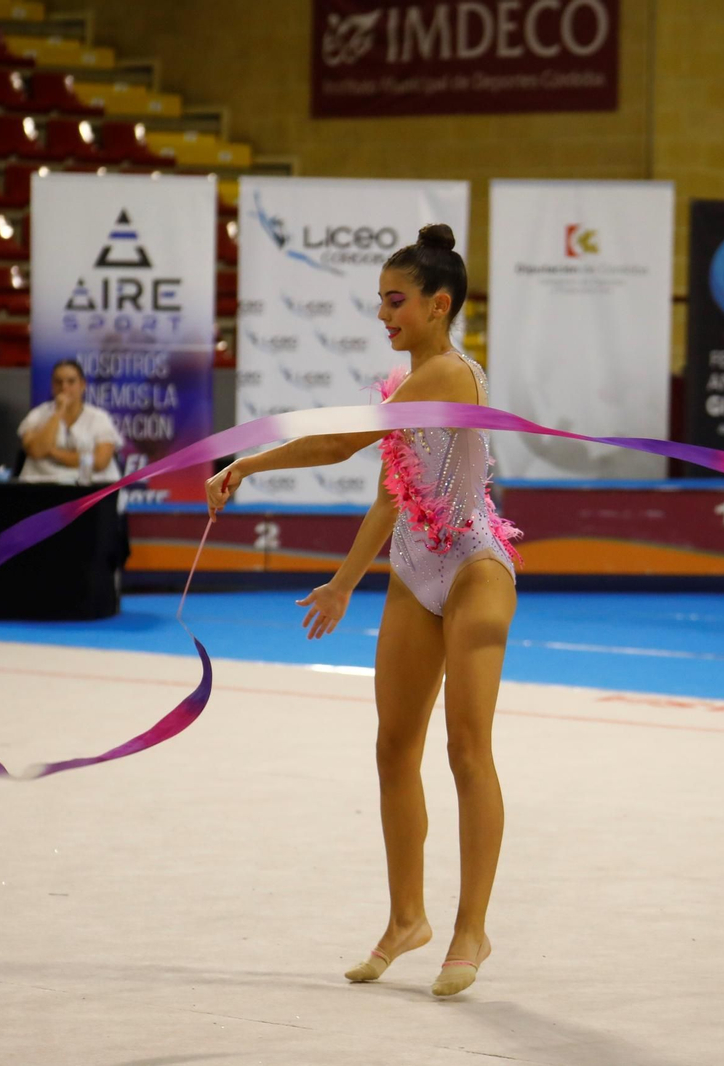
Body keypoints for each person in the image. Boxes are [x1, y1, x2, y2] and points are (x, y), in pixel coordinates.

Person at [205, 224, 521, 998]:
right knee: (392, 748)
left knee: (465, 748)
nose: (383, 315)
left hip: (476, 564)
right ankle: (404, 918)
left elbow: (339, 443)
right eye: (380, 300)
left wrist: (248, 460)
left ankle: (471, 927)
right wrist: (347, 581)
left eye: (396, 301)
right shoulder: (408, 388)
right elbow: (392, 492)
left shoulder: (449, 375)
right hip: (416, 567)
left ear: (439, 305)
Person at [17, 359, 123, 484]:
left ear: (83, 385)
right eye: (58, 382)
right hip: (42, 486)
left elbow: (100, 461)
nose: (64, 387)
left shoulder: (99, 418)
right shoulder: (37, 415)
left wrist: (52, 452)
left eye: (71, 381)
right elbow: (36, 451)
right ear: (52, 386)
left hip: (89, 489)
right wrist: (58, 413)